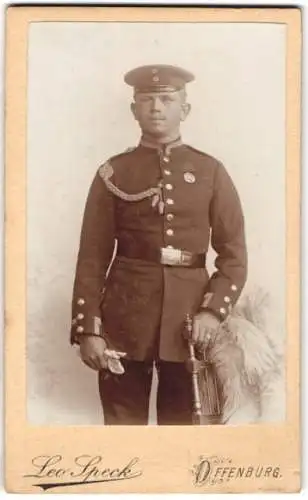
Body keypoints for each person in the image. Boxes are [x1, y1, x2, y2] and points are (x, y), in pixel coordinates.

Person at [70, 64, 248, 425]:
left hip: (190, 322)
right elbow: (91, 257)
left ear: (185, 109)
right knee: (122, 431)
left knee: (182, 432)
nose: (155, 108)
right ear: (134, 109)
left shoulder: (210, 171)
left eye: (166, 99)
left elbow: (234, 255)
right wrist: (89, 329)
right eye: (146, 100)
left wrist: (211, 312)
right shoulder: (113, 172)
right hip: (123, 318)